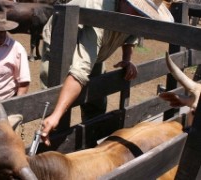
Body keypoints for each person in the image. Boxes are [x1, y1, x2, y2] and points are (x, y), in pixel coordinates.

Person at [40, 0, 174, 146]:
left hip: (95, 53)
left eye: (144, 13)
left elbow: (131, 36)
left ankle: (89, 143)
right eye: (137, 9)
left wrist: (127, 59)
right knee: (54, 102)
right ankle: (49, 144)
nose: (139, 16)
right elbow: (80, 71)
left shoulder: (133, 17)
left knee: (96, 100)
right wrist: (57, 115)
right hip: (60, 44)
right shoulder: (99, 16)